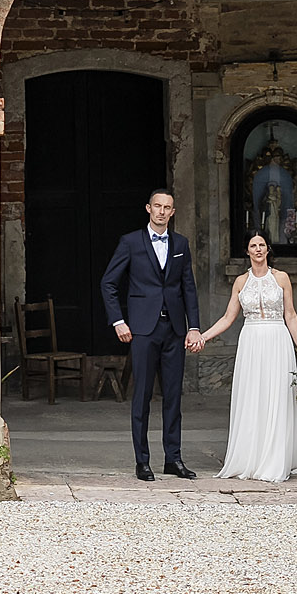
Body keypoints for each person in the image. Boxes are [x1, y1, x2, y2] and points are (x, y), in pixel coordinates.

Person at [197, 233, 297, 482]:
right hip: (251, 341)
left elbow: (290, 314)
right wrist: (203, 337)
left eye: (261, 245)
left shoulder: (281, 278)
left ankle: (275, 460)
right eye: (252, 246)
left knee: (277, 396)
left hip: (277, 339)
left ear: (268, 249)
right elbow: (228, 318)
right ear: (247, 251)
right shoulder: (240, 281)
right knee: (252, 396)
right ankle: (251, 458)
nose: (258, 249)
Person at [99, 188, 202, 482]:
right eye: (157, 206)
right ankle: (142, 462)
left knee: (173, 398)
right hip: (143, 330)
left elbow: (188, 288)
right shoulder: (130, 242)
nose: (161, 211)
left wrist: (193, 326)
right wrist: (118, 321)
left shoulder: (181, 243)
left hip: (174, 330)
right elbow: (109, 283)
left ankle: (174, 459)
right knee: (142, 396)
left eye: (167, 207)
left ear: (172, 212)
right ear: (148, 208)